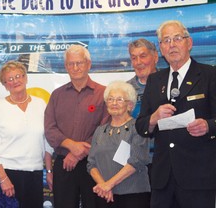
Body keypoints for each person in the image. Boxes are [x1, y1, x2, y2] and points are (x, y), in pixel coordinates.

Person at [135, 20, 216, 208]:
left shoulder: (210, 75)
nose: (172, 44)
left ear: (189, 43)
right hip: (162, 179)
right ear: (161, 49)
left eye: (177, 38)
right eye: (166, 40)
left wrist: (208, 126)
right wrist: (153, 118)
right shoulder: (155, 80)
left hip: (198, 177)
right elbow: (141, 126)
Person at [44, 44, 108, 208]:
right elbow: (50, 129)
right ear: (66, 67)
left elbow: (106, 129)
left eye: (79, 62)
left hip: (94, 165)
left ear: (89, 64)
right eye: (71, 64)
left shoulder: (104, 93)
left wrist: (79, 153)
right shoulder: (57, 95)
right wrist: (71, 146)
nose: (75, 67)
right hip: (64, 164)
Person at [0, 61, 53, 208]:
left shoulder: (40, 104)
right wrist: (3, 179)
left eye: (18, 76)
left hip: (35, 173)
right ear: (4, 85)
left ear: (26, 78)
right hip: (8, 174)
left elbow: (47, 142)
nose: (15, 81)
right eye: (9, 79)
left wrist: (48, 171)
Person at [87, 80, 150, 208]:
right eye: (110, 99)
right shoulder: (100, 130)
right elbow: (91, 164)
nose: (114, 103)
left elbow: (136, 161)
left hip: (133, 194)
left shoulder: (138, 127)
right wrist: (104, 186)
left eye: (120, 99)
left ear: (130, 105)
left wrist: (108, 184)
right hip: (104, 194)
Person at [127, 38, 158, 182]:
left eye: (143, 56)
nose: (138, 62)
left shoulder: (170, 83)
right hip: (134, 164)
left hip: (163, 160)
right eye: (134, 58)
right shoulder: (125, 90)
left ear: (155, 57)